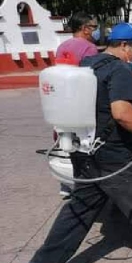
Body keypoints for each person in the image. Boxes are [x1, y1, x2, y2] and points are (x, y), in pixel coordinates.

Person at [25, 23, 132, 263]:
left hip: (83, 151)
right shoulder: (119, 70)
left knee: (80, 208)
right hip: (112, 154)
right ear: (123, 46)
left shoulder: (88, 65)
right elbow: (122, 114)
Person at [56, 12, 100, 198]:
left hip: (63, 105)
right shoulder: (89, 49)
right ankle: (88, 190)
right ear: (85, 28)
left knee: (70, 146)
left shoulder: (62, 47)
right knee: (86, 150)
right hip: (83, 106)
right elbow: (92, 80)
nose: (96, 31)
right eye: (94, 27)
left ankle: (68, 185)